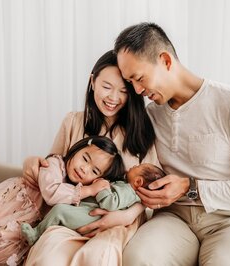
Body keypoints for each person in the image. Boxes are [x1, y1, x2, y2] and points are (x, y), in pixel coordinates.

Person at [114, 22, 230, 266]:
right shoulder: (151, 116)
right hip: (173, 219)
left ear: (165, 60)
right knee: (138, 258)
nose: (137, 90)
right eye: (130, 82)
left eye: (139, 78)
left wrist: (190, 187)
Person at [23, 50, 160, 266]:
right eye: (106, 87)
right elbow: (54, 164)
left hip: (119, 219)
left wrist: (127, 216)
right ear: (92, 81)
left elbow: (153, 187)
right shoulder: (73, 121)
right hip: (72, 212)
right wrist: (32, 161)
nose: (113, 98)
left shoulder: (141, 134)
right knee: (49, 255)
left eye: (123, 91)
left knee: (99, 256)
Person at [0, 136, 124, 266]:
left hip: (27, 220)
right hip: (10, 200)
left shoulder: (78, 191)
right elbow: (51, 193)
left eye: (94, 171)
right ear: (77, 149)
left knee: (2, 249)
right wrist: (88, 189)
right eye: (85, 159)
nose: (84, 169)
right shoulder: (54, 164)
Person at [21, 163, 165, 245]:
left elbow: (110, 203)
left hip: (93, 217)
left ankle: (36, 235)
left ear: (138, 181)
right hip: (89, 211)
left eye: (137, 166)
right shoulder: (126, 186)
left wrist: (102, 188)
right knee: (60, 210)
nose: (133, 166)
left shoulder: (129, 191)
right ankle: (43, 226)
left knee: (60, 210)